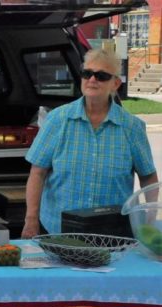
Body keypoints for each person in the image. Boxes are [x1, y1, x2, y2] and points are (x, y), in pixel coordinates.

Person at [22, 48, 159, 238]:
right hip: (57, 232)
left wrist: (149, 222)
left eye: (101, 76)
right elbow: (37, 173)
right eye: (87, 73)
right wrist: (31, 220)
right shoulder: (57, 120)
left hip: (113, 236)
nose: (92, 80)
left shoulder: (132, 127)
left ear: (115, 83)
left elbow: (149, 178)